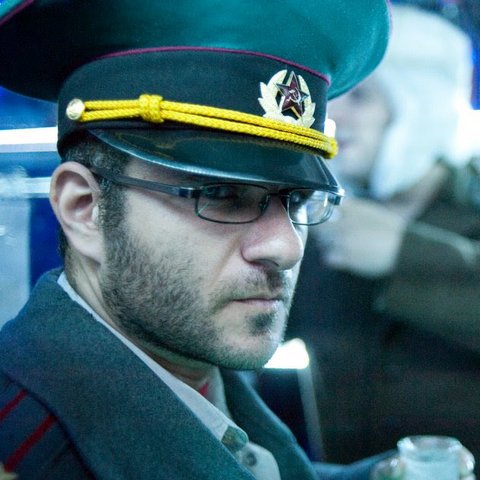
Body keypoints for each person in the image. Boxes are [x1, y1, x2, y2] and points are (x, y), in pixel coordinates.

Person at [0, 1, 395, 479]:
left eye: (296, 201)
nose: (286, 248)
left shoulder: (185, 363)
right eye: (221, 195)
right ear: (84, 209)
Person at [287, 3, 480, 468]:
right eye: (334, 94)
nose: (333, 113)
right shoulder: (314, 214)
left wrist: (404, 254)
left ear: (420, 105)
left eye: (361, 97)